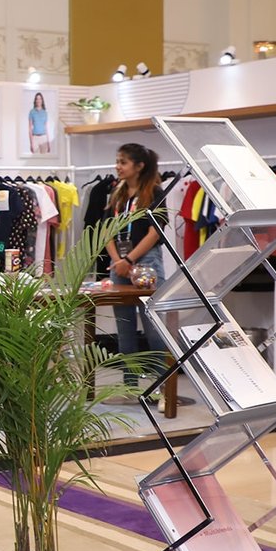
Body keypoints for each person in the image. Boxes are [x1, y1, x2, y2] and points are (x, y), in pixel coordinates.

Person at [104, 142, 166, 386]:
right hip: (118, 265)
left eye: (123, 162)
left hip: (147, 262)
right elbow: (106, 231)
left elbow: (155, 232)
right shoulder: (117, 194)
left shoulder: (154, 193)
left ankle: (162, 386)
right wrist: (118, 261)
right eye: (117, 161)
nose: (117, 166)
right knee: (124, 328)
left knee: (153, 326)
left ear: (139, 166)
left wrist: (129, 260)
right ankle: (130, 385)